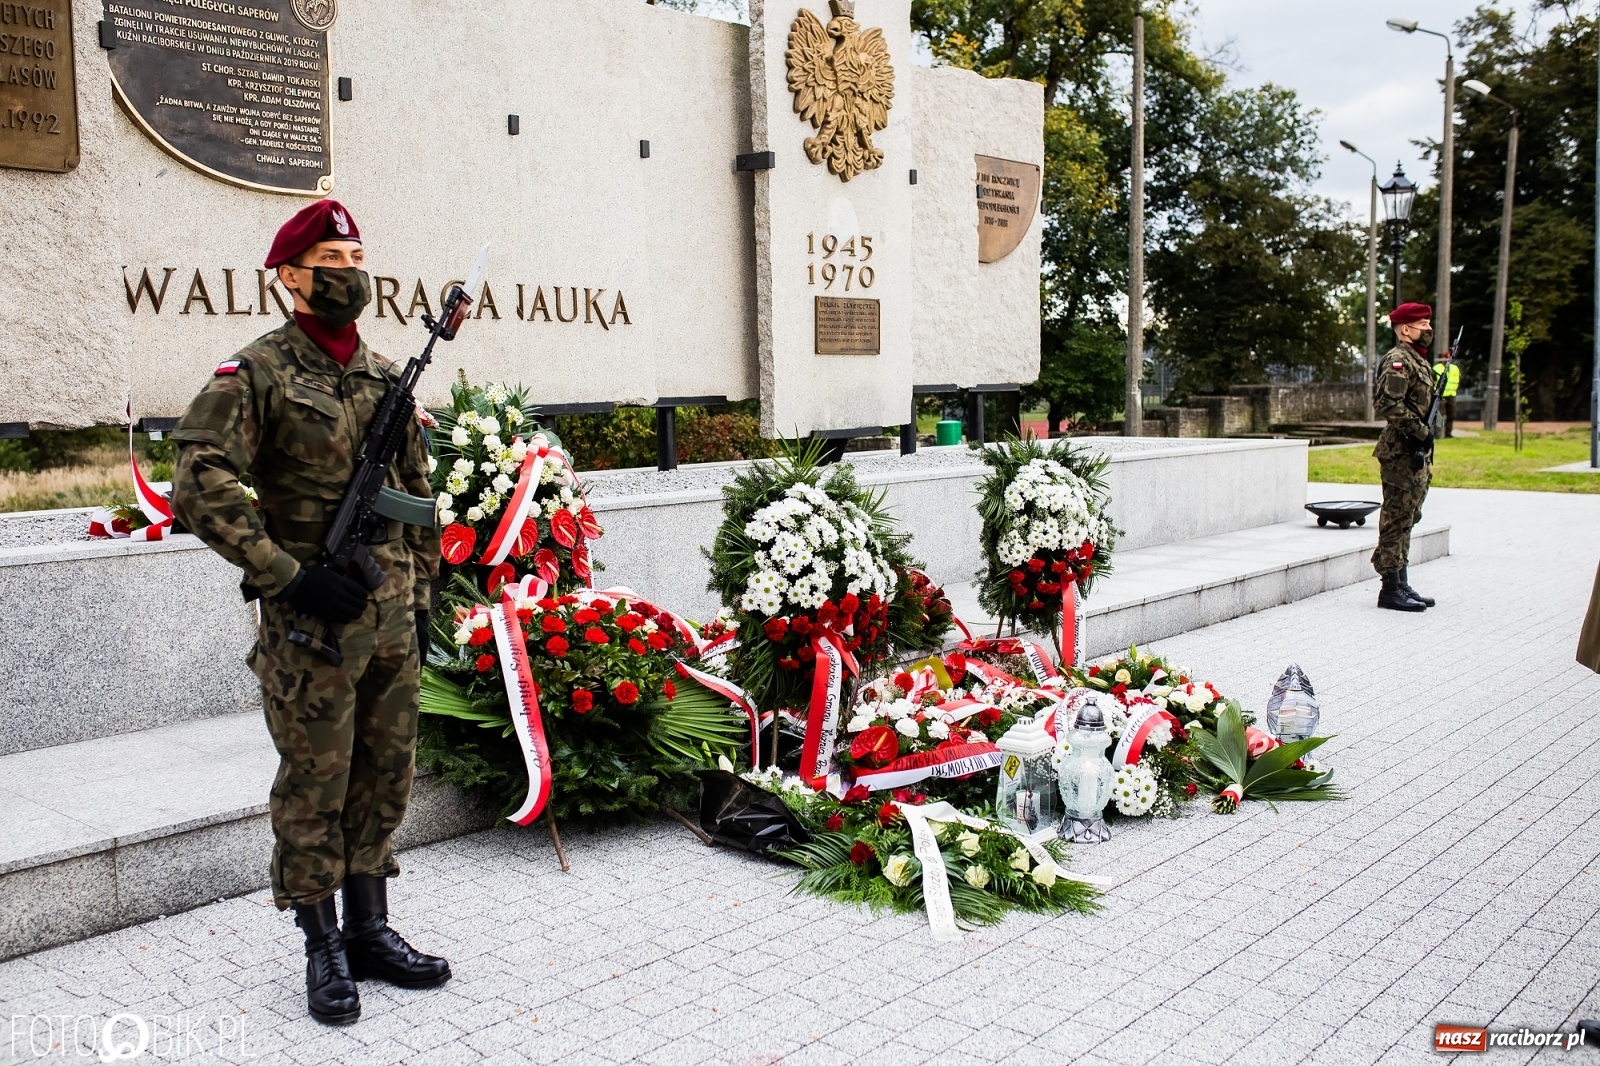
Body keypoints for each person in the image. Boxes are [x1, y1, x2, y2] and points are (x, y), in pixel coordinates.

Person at [170, 200, 448, 1026]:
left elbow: (416, 503)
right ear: (290, 275)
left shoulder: (386, 377)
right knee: (314, 788)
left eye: (356, 252)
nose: (348, 268)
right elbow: (200, 482)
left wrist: (424, 599)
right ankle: (321, 944)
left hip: (391, 622)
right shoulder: (254, 373)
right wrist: (287, 575)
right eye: (330, 254)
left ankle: (371, 928)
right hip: (312, 627)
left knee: (384, 779)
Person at [1370, 302, 1437, 612]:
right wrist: (1420, 431)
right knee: (1396, 519)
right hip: (1400, 452)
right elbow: (1387, 404)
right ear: (1405, 329)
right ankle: (1389, 589)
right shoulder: (1398, 360)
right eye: (1422, 324)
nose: (1428, 330)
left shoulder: (1419, 361)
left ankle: (1402, 581)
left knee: (1409, 517)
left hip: (1416, 453)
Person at [1431, 356, 1460, 438]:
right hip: (1440, 395)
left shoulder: (1455, 368)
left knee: (1451, 415)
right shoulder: (1436, 369)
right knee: (1440, 416)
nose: (1447, 359)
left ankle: (1448, 433)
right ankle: (1438, 434)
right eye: (1445, 357)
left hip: (1451, 394)